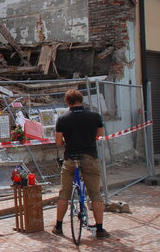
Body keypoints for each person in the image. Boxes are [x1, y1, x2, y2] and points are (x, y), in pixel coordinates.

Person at [53, 89, 110, 239]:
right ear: (81, 100)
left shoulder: (62, 119)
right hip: (89, 156)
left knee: (64, 193)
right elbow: (100, 133)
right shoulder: (94, 116)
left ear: (67, 102)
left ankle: (58, 226)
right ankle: (100, 229)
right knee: (95, 194)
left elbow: (58, 142)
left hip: (71, 158)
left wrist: (68, 140)